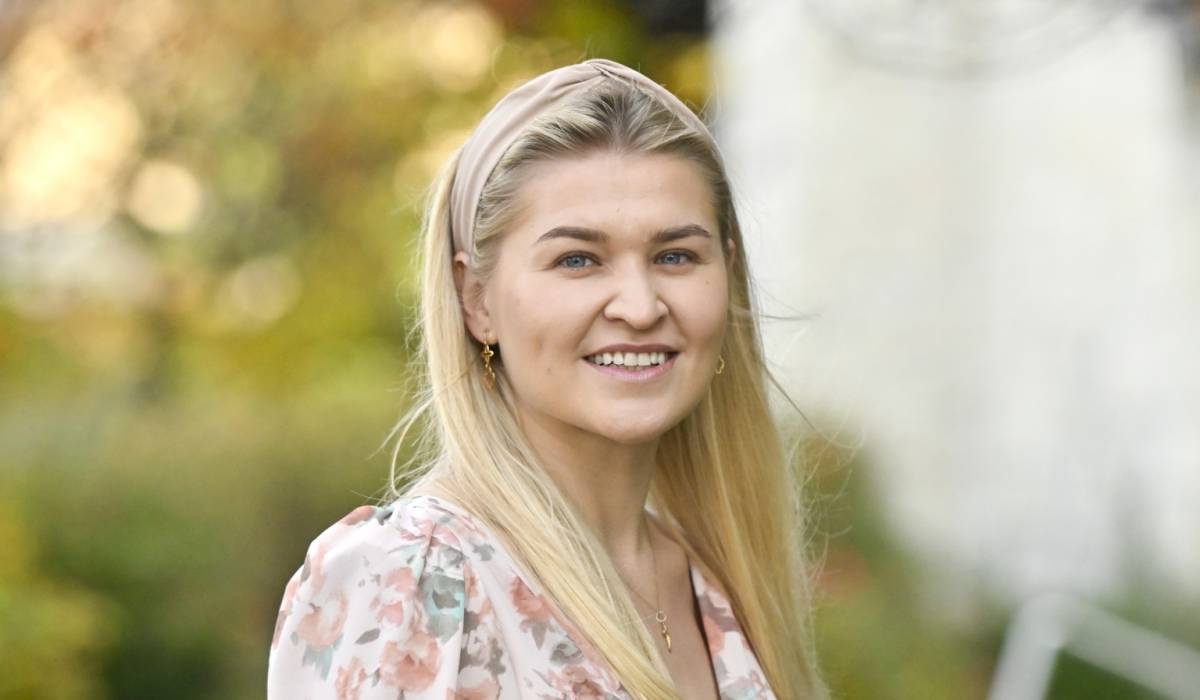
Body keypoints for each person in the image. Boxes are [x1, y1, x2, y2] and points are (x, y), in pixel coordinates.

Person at [267, 58, 826, 699]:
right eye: (578, 260)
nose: (640, 307)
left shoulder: (720, 580)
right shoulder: (408, 580)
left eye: (675, 255)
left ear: (726, 275)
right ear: (476, 299)